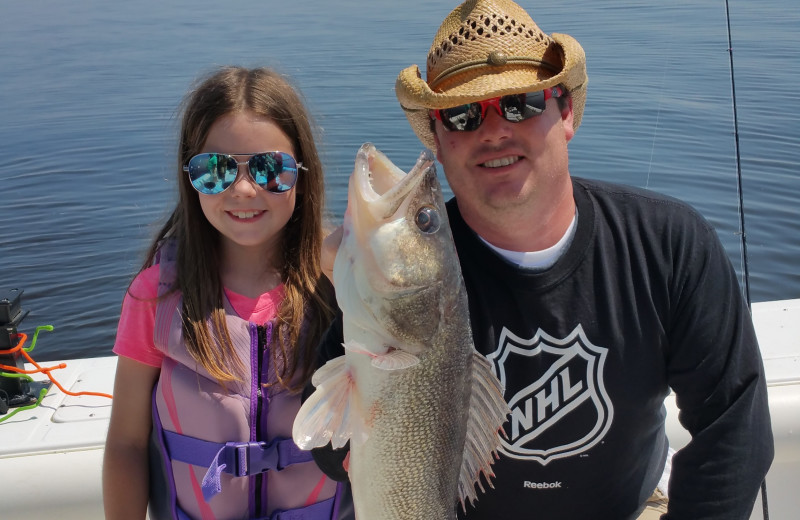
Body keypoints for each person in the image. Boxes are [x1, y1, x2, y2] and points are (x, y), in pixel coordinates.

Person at [314, 1, 774, 519]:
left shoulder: (669, 246)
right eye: (462, 115)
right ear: (438, 143)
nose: (493, 131)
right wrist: (344, 287)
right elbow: (331, 456)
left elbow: (733, 428)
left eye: (521, 103)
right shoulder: (407, 285)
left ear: (567, 111)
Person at [102, 66, 353, 520]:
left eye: (270, 169)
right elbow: (126, 442)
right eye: (214, 170)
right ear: (189, 177)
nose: (242, 189)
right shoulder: (155, 298)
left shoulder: (341, 288)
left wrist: (351, 275)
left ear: (302, 173)